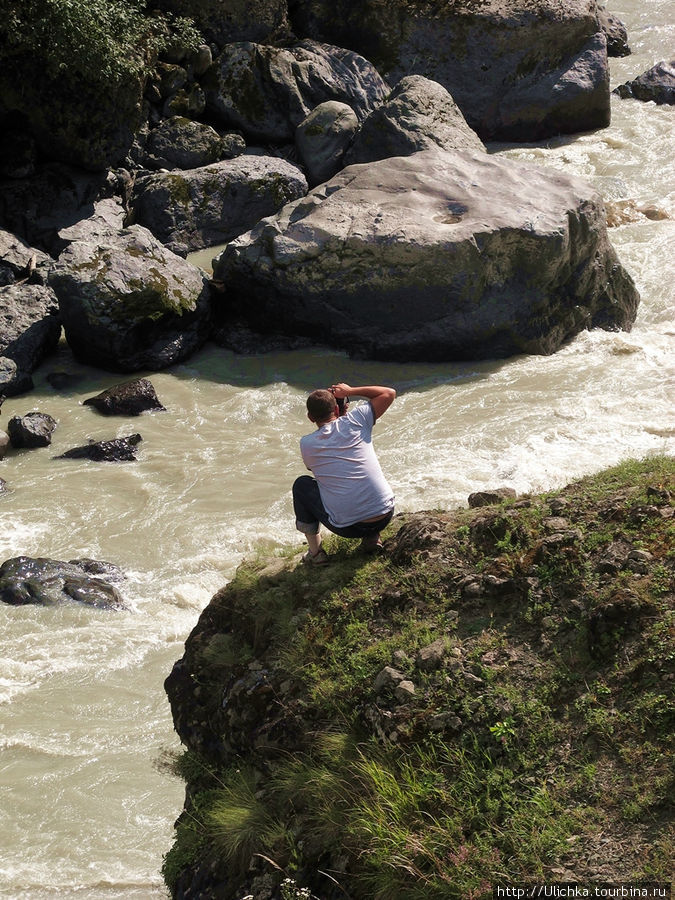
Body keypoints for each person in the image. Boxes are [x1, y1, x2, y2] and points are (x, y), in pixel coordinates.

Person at [292, 382, 396, 565]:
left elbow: (314, 469)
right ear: (337, 410)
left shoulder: (307, 444)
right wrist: (350, 391)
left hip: (349, 528)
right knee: (361, 473)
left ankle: (316, 554)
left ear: (310, 417)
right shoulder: (357, 421)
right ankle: (372, 538)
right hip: (384, 514)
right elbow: (389, 393)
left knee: (303, 484)